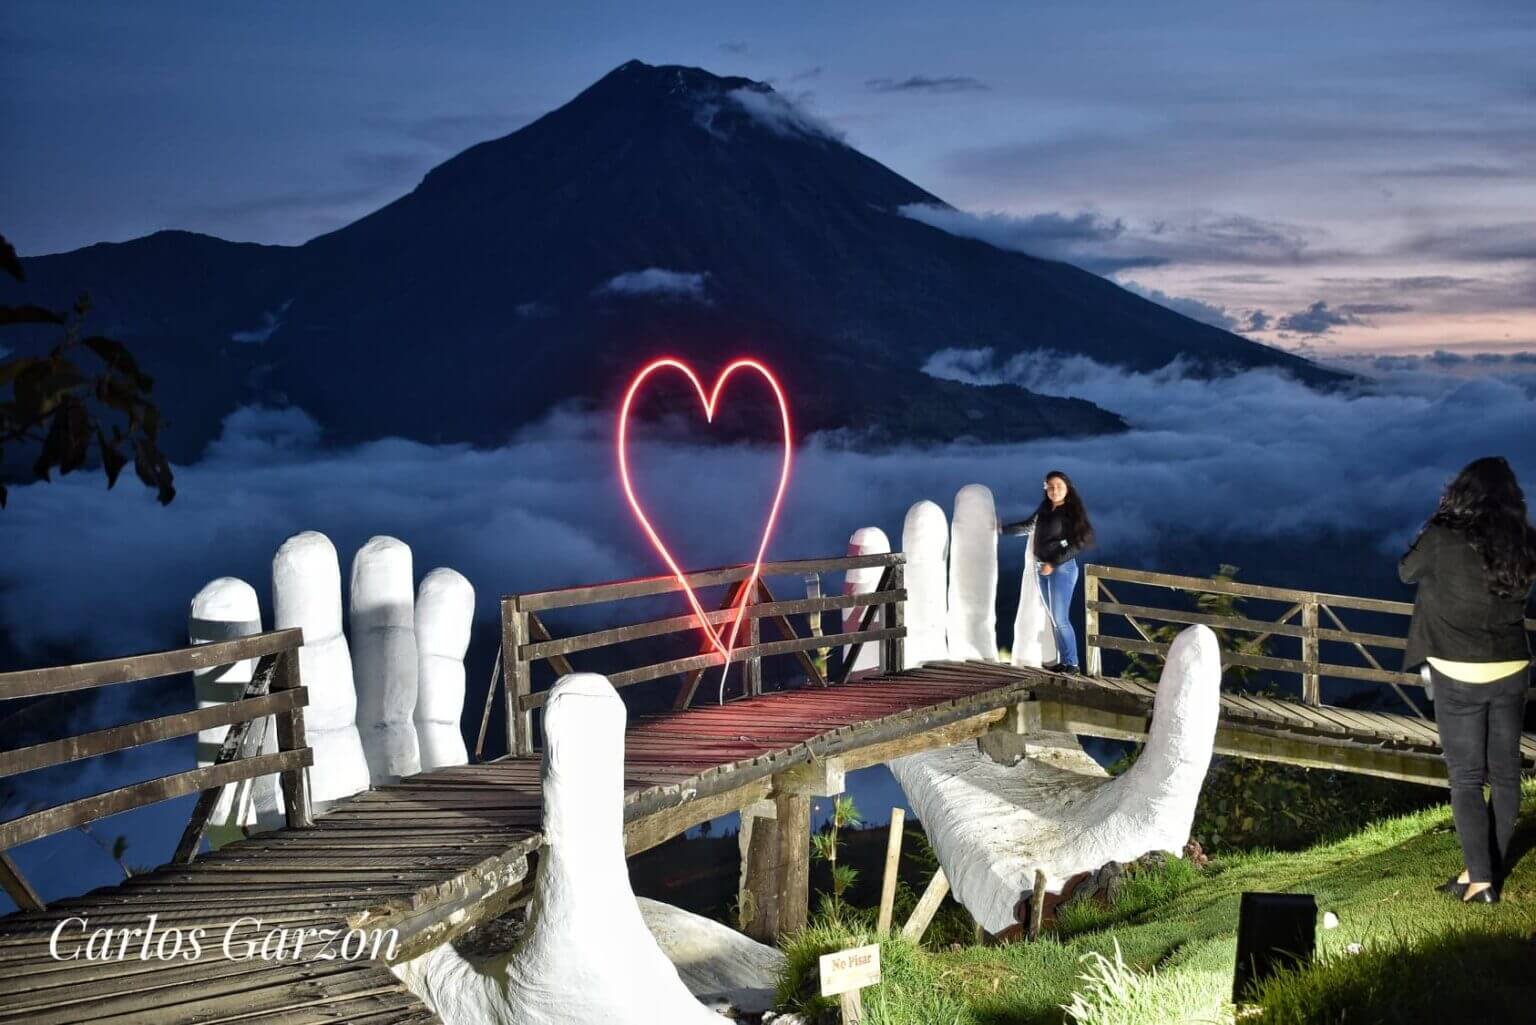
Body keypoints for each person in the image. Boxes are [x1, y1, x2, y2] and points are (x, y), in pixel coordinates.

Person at [1400, 456, 1536, 904]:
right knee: (1505, 775)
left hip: (1458, 674)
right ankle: (1481, 871)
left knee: (1465, 779)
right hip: (1512, 669)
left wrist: (1438, 518)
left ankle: (1481, 882)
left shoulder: (1442, 537)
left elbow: (1406, 571)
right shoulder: (1524, 543)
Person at [1001, 470, 1096, 673]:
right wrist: (1001, 529)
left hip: (1062, 569)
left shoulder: (1071, 512)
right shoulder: (1045, 509)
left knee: (1061, 618)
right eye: (1050, 487)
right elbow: (1028, 526)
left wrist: (1053, 562)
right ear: (1045, 488)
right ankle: (1064, 661)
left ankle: (1073, 664)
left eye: (1059, 486)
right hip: (1042, 567)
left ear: (1067, 488)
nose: (1055, 490)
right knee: (1055, 618)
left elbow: (1077, 543)